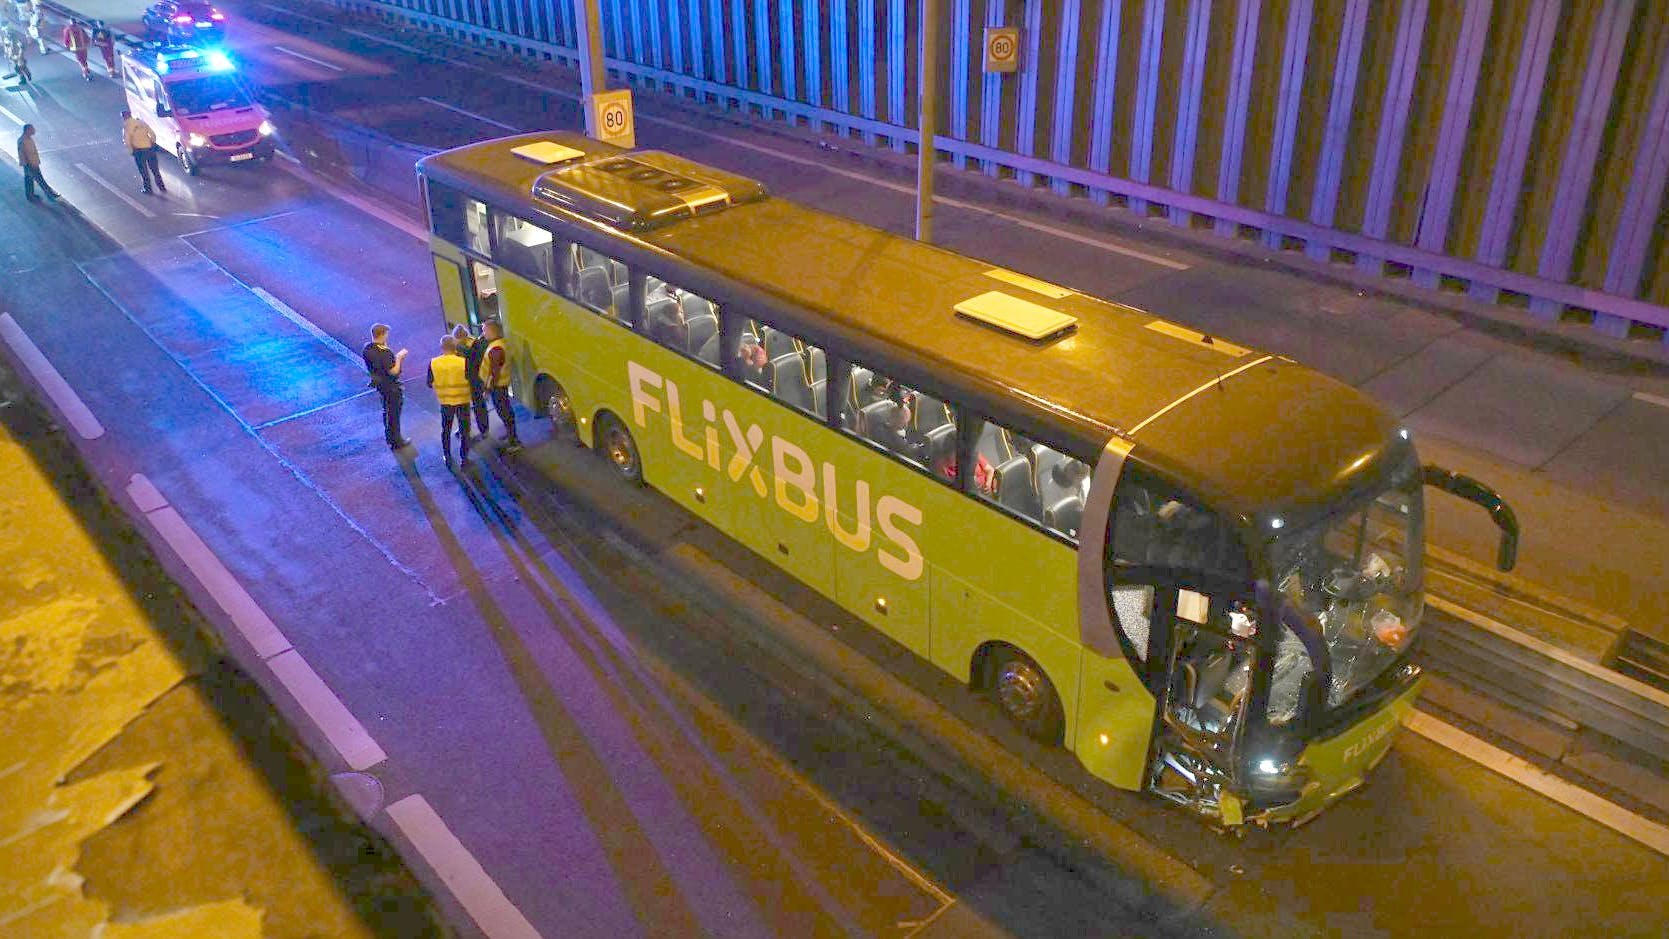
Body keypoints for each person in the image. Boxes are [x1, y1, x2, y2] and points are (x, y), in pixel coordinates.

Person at [362, 324, 410, 451]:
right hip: (391, 387)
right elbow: (393, 371)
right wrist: (398, 358)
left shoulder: (367, 349)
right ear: (382, 335)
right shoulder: (385, 353)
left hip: (381, 386)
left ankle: (389, 437)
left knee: (387, 411)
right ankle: (397, 441)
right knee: (394, 414)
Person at [427, 334, 472, 467]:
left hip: (445, 402)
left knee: (446, 430)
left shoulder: (434, 363)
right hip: (463, 400)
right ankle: (464, 458)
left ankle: (447, 456)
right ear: (455, 347)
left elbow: (429, 383)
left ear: (441, 347)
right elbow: (471, 379)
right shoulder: (463, 362)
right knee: (464, 431)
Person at [477, 320, 520, 452]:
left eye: (484, 330)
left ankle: (514, 442)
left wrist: (487, 389)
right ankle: (510, 435)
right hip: (501, 385)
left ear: (491, 331)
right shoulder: (500, 343)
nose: (483, 333)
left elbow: (494, 373)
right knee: (505, 411)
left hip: (498, 387)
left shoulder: (495, 349)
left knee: (504, 412)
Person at [451, 324, 489, 438]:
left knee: (477, 405)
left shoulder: (473, 345)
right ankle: (469, 429)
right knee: (468, 406)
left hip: (474, 379)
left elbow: (473, 357)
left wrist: (459, 348)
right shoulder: (469, 345)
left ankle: (482, 429)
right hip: (467, 379)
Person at [121, 108, 164, 194]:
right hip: (149, 148)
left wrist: (131, 151)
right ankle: (161, 186)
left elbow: (127, 141)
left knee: (144, 171)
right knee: (155, 169)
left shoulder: (127, 126)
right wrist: (152, 143)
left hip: (139, 151)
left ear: (124, 117)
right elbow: (152, 134)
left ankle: (148, 189)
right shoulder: (141, 122)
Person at [16, 123, 57, 201]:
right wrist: (31, 164)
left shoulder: (28, 139)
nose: (34, 131)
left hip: (32, 163)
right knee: (40, 180)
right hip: (30, 164)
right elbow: (24, 154)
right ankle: (50, 194)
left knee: (29, 180)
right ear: (27, 130)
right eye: (32, 129)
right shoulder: (23, 140)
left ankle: (30, 195)